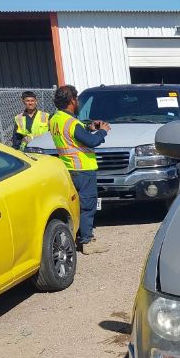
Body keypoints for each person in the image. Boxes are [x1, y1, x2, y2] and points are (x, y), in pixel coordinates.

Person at [49, 85, 111, 255]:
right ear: (72, 100)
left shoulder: (55, 119)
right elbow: (90, 142)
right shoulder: (71, 122)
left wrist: (89, 128)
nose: (77, 102)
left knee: (75, 205)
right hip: (83, 169)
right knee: (87, 206)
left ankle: (78, 235)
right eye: (76, 99)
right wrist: (102, 132)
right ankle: (88, 241)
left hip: (68, 168)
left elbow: (71, 137)